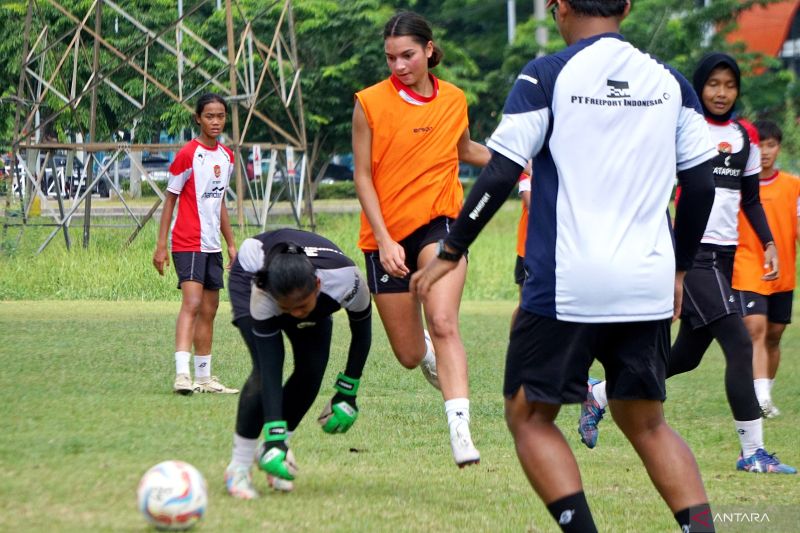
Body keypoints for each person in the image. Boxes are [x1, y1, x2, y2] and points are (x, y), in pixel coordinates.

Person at [412, 0, 720, 530]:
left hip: (568, 285)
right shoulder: (671, 82)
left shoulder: (545, 76)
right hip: (645, 283)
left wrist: (451, 250)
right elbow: (702, 184)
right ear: (625, 6)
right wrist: (679, 270)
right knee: (646, 424)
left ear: (558, 8)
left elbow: (502, 171)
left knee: (529, 416)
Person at [578, 54, 796, 475]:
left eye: (729, 85)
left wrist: (768, 242)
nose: (721, 92)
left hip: (726, 257)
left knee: (687, 356)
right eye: (713, 83)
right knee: (738, 344)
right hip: (695, 255)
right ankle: (752, 452)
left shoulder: (744, 137)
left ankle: (599, 393)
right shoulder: (681, 128)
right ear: (699, 86)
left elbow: (749, 199)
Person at [352, 11, 491, 467]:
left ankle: (460, 431)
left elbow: (465, 150)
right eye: (390, 57)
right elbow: (362, 176)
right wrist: (387, 240)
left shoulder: (453, 99)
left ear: (429, 50)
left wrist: (523, 161)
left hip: (440, 225)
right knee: (410, 355)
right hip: (385, 238)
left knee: (445, 320)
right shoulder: (369, 103)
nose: (398, 66)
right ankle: (429, 358)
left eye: (408, 55)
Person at [223, 228, 372, 498]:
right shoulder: (263, 294)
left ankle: (274, 455)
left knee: (311, 370)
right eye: (288, 310)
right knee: (262, 369)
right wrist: (274, 434)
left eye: (301, 308)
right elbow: (270, 370)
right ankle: (239, 467)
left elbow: (362, 333)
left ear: (316, 286)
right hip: (251, 276)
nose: (294, 315)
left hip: (305, 287)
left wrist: (348, 391)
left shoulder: (347, 280)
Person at [153, 92, 239, 395]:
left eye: (220, 116)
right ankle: (182, 376)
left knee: (210, 308)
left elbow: (221, 203)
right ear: (198, 119)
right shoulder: (188, 154)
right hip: (187, 241)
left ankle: (204, 378)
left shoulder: (227, 157)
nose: (216, 121)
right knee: (191, 303)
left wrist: (230, 243)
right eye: (209, 116)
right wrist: (161, 245)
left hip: (212, 245)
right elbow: (170, 201)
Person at [733, 119, 800, 418]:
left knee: (774, 334)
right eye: (758, 145)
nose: (764, 152)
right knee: (756, 328)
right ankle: (759, 399)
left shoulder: (793, 186)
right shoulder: (738, 187)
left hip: (783, 273)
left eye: (770, 145)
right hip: (747, 266)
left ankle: (765, 394)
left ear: (779, 148)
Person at [511, 173, 531, 326]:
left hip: (555, 250)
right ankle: (514, 347)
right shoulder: (527, 172)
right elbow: (531, 204)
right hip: (528, 251)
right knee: (525, 306)